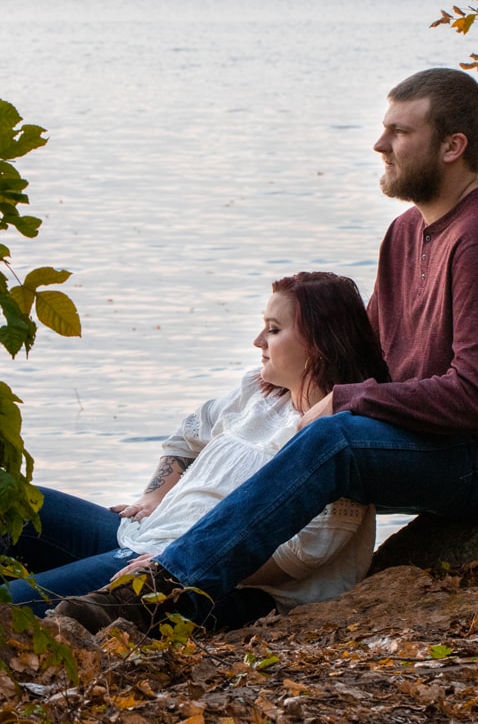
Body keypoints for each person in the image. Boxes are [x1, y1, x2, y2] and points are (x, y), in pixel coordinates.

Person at [52, 67, 478, 635]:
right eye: (383, 129)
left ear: (452, 146)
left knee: (333, 438)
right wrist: (284, 381)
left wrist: (343, 401)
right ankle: (178, 555)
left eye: (399, 132)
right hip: (426, 439)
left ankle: (164, 587)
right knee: (309, 422)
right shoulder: (403, 233)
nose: (379, 144)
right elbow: (372, 362)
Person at [5, 271, 390, 632]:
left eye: (273, 330)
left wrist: (177, 567)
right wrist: (155, 495)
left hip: (188, 576)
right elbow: (188, 437)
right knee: (10, 500)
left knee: (8, 610)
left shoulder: (341, 435)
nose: (258, 341)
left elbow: (303, 552)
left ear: (320, 343)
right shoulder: (258, 392)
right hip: (142, 535)